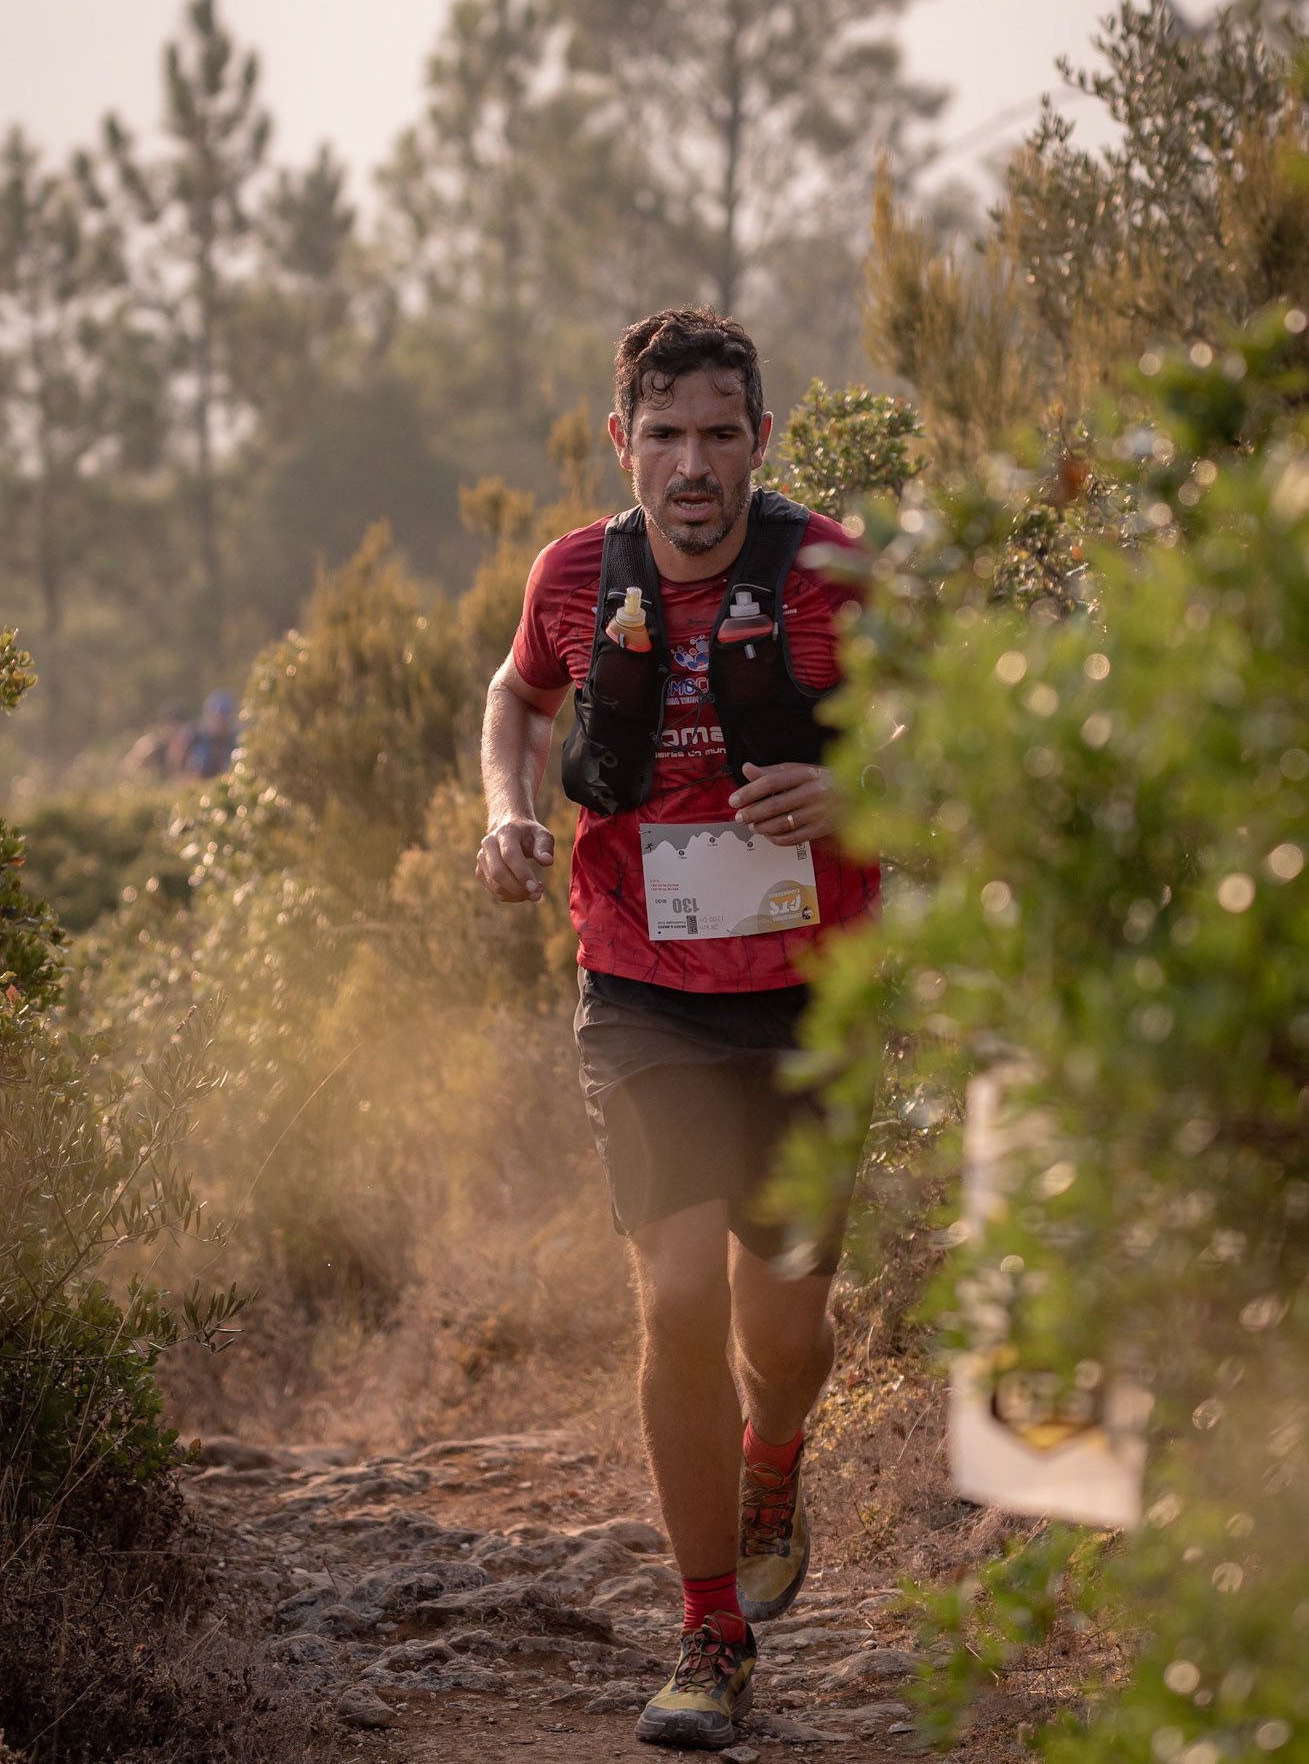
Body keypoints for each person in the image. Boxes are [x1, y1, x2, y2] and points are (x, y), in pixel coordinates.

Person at [476, 307, 879, 1750]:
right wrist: (507, 812)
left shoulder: (831, 571)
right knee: (677, 1297)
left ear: (760, 440)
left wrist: (856, 792)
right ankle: (710, 1632)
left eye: (719, 434)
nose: (692, 465)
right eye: (665, 435)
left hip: (812, 994)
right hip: (640, 986)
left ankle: (775, 1453)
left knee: (786, 1328)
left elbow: (946, 730)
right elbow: (518, 695)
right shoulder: (574, 575)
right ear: (621, 441)